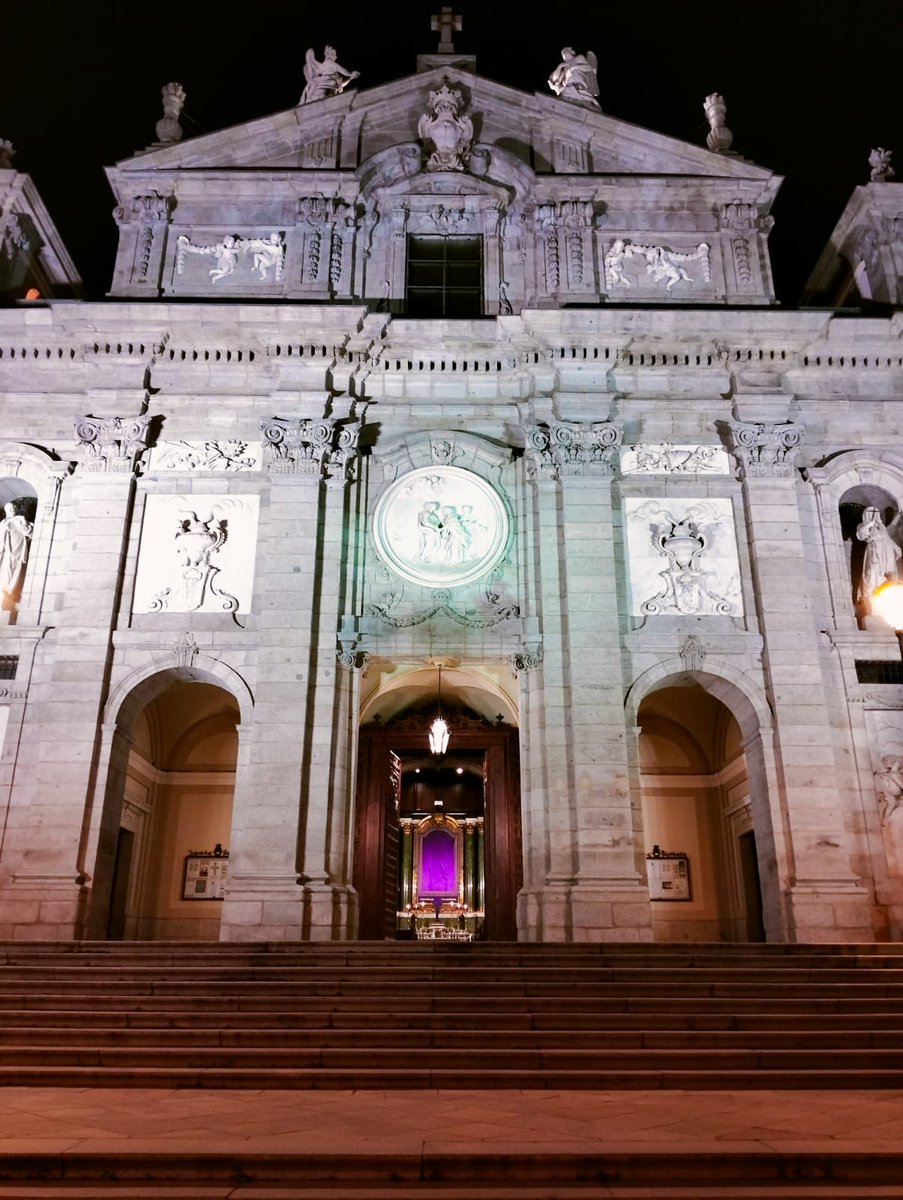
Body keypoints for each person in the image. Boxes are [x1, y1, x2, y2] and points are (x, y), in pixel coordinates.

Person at [856, 505, 901, 609]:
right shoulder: (862, 525)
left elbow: (888, 537)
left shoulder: (882, 527)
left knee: (885, 575)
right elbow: (860, 535)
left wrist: (896, 548)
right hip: (874, 551)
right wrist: (870, 524)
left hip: (885, 553)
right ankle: (868, 597)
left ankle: (883, 596)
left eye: (875, 512)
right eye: (871, 512)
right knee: (870, 574)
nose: (874, 515)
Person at [0, 501, 33, 610]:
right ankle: (4, 596)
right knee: (6, 573)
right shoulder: (4, 523)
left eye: (13, 508)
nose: (12, 510)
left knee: (16, 573)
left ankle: (8, 596)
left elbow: (29, 531)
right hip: (8, 553)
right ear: (6, 511)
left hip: (18, 553)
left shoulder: (19, 520)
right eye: (9, 509)